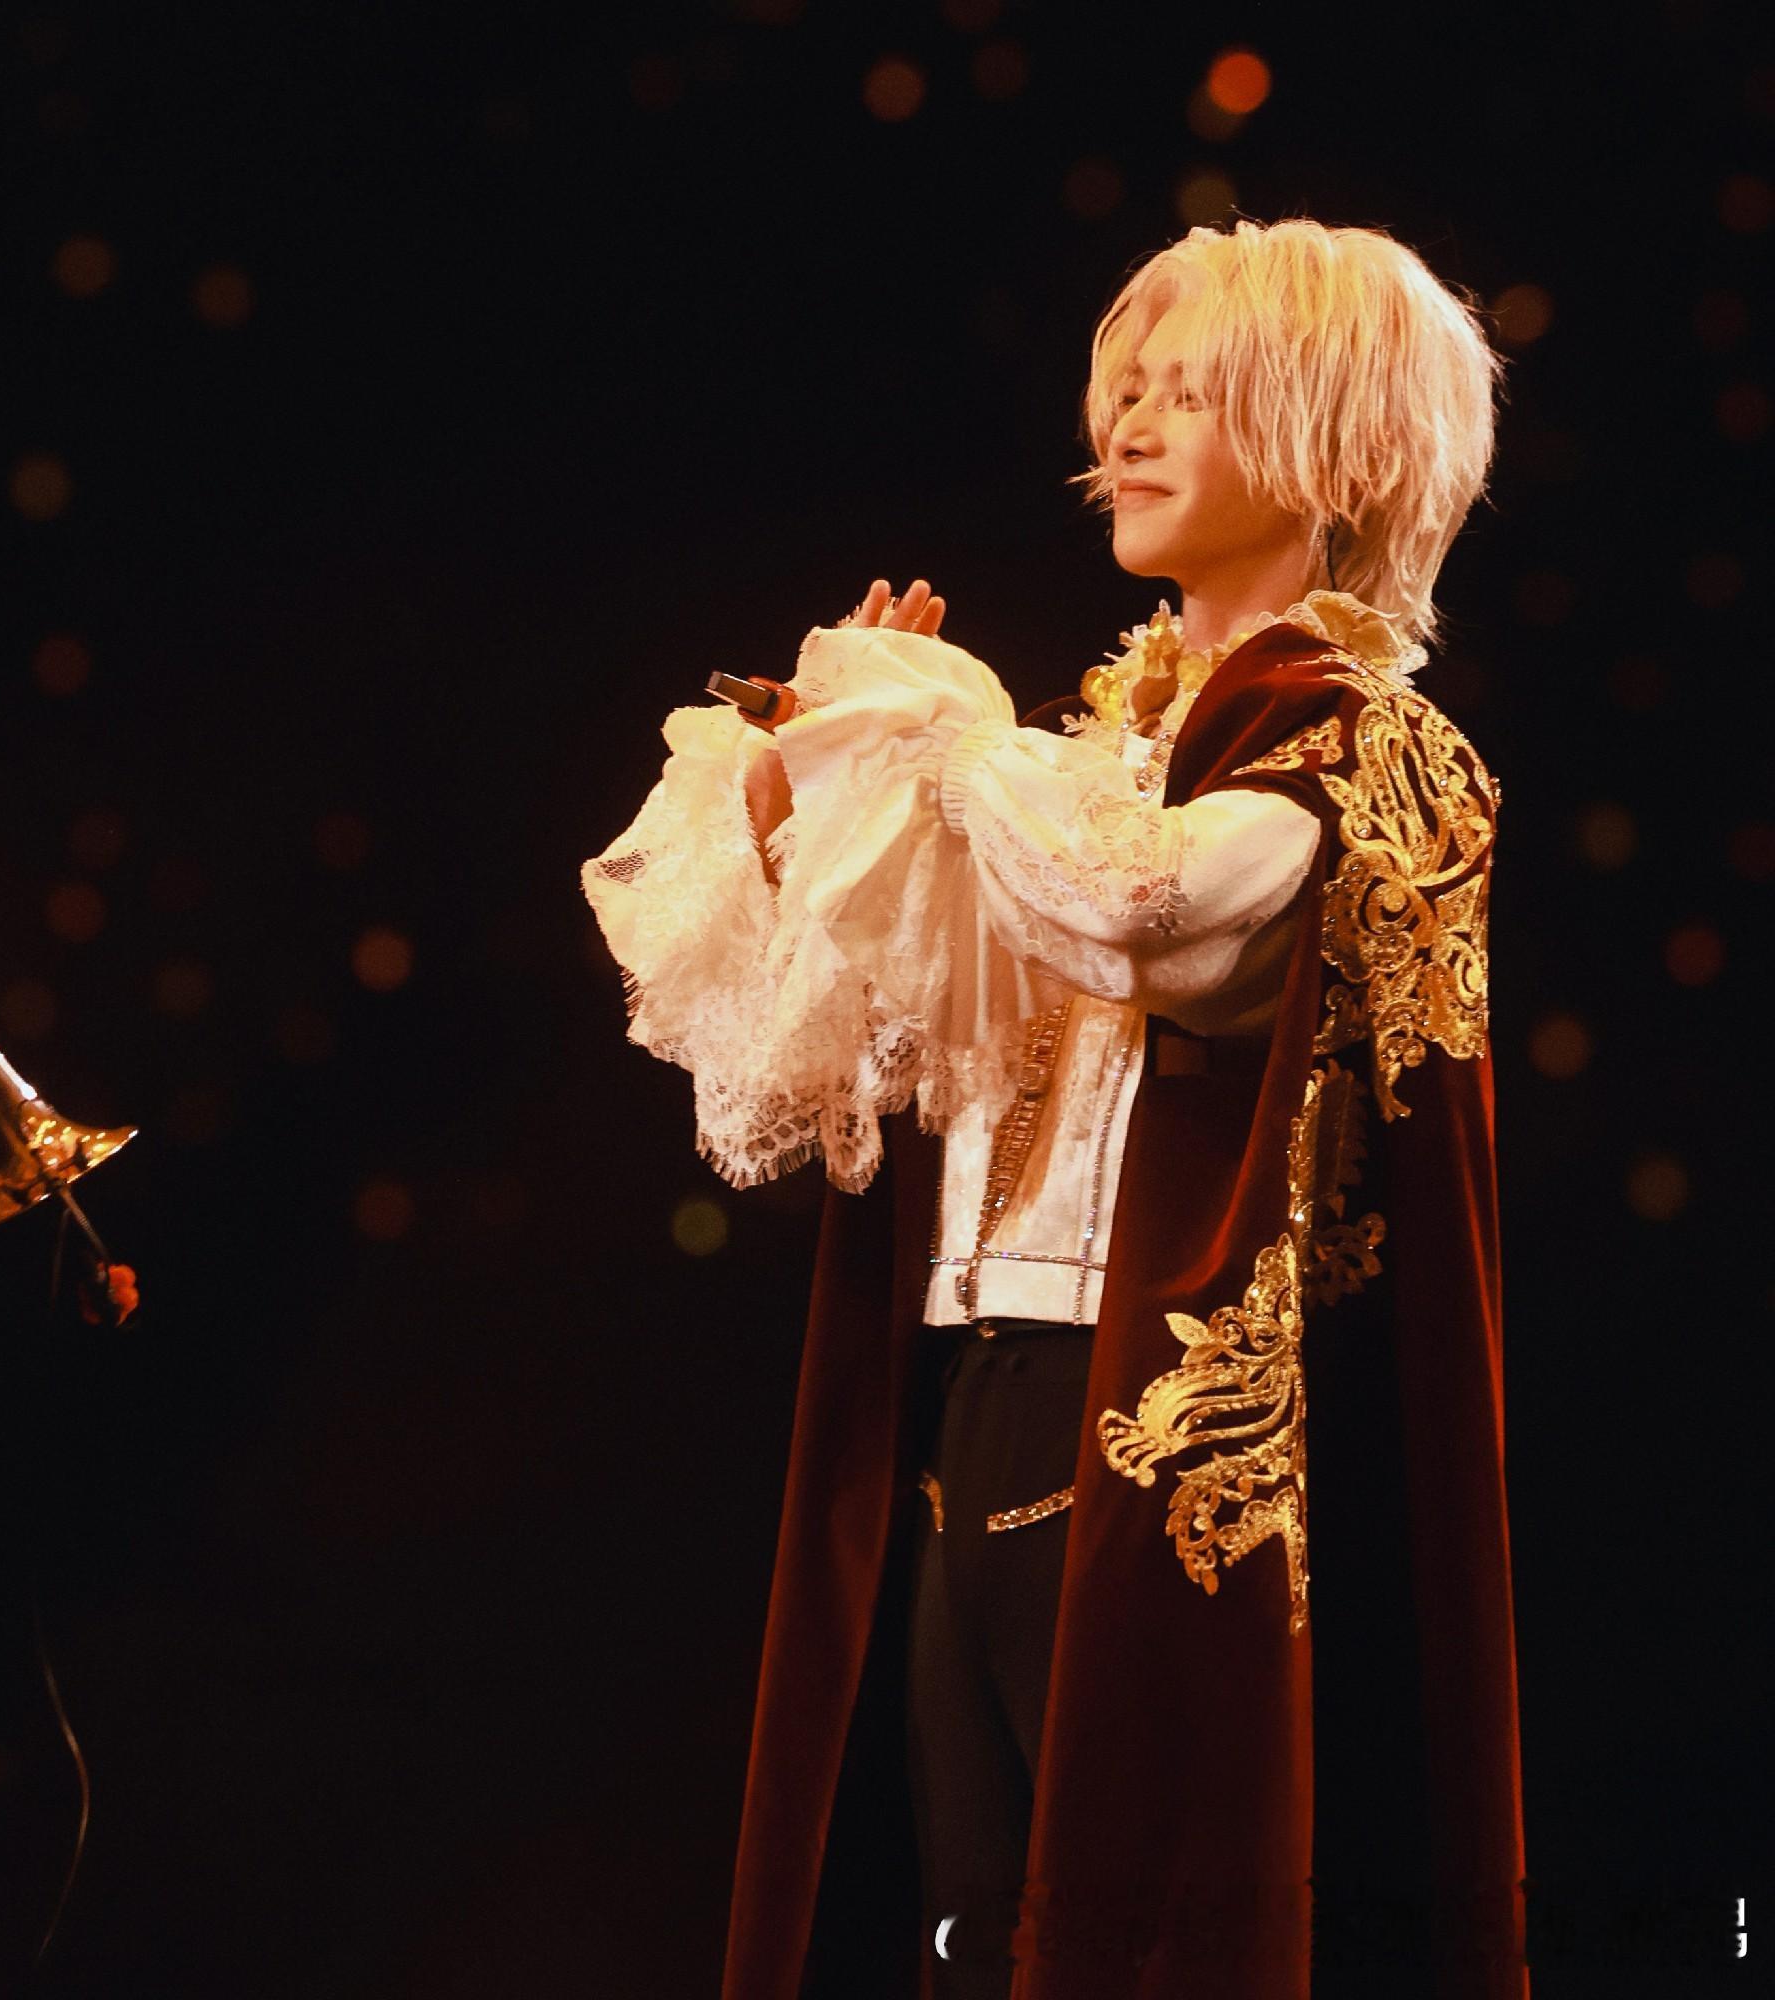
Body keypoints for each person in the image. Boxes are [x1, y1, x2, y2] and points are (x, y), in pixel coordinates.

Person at [584, 220, 1523, 1996]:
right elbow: (856, 1066)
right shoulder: (1074, 756)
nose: (1134, 431)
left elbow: (1149, 910)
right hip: (982, 1408)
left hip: (1160, 1427)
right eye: (1129, 395)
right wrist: (808, 813)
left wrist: (935, 746)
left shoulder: (1357, 741)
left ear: (1339, 445)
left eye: (1194, 395)